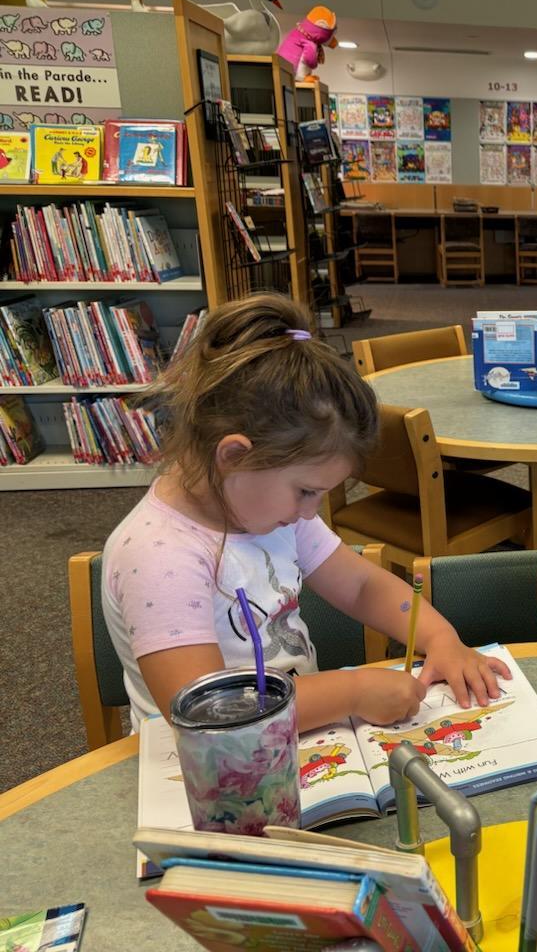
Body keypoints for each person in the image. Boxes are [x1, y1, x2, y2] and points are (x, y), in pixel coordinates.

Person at [102, 294, 510, 734]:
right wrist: (352, 693)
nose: (310, 512)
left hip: (294, 736)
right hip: (205, 762)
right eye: (306, 491)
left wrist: (440, 637)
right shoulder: (159, 556)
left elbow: (362, 586)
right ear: (234, 456)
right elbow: (208, 711)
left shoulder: (266, 510)